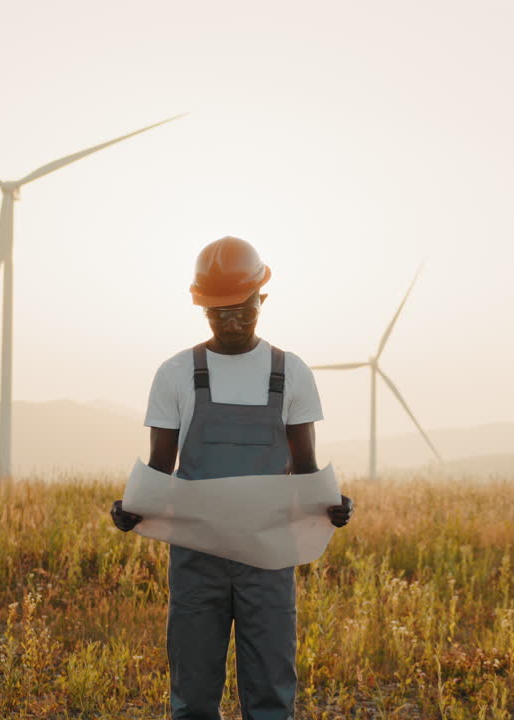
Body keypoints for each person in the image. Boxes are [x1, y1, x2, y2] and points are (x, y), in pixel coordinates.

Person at [110, 236, 354, 720]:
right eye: (219, 312)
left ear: (261, 299)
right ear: (201, 307)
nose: (232, 322)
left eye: (242, 309)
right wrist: (130, 508)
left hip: (269, 557)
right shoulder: (176, 373)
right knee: (193, 695)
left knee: (269, 695)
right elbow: (160, 466)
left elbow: (305, 467)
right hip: (197, 558)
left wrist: (333, 504)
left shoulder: (291, 372)